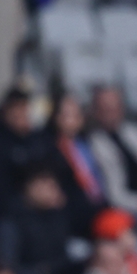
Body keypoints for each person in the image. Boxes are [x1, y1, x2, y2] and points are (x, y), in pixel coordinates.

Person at [88, 86, 137, 226]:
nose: (112, 112)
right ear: (96, 111)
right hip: (130, 210)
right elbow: (114, 195)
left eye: (116, 107)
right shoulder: (95, 144)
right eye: (106, 108)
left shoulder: (135, 133)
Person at [44, 93, 105, 237]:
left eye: (77, 114)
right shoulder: (50, 148)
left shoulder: (87, 143)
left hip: (98, 205)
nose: (74, 120)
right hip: (74, 215)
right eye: (68, 115)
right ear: (56, 117)